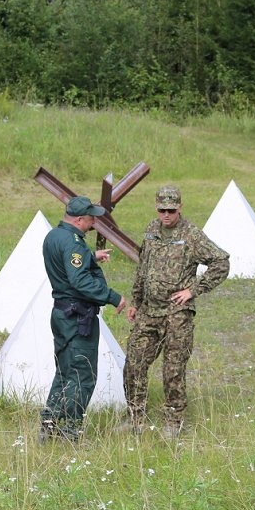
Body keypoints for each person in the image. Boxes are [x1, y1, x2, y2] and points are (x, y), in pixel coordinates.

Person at [121, 185, 229, 438]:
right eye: (162, 210)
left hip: (176, 314)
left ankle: (173, 420)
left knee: (173, 369)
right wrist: (136, 301)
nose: (166, 215)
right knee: (134, 363)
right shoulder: (151, 230)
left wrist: (193, 290)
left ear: (180, 207)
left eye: (171, 210)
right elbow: (143, 267)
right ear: (156, 207)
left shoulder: (191, 234)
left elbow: (220, 261)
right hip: (148, 312)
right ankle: (135, 417)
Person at [40, 196, 127, 443]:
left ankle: (49, 423)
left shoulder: (55, 236)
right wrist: (112, 296)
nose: (93, 223)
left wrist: (90, 256)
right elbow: (79, 280)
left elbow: (68, 263)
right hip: (78, 317)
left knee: (65, 371)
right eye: (90, 219)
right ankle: (70, 430)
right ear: (79, 219)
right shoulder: (74, 244)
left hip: (61, 313)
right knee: (82, 374)